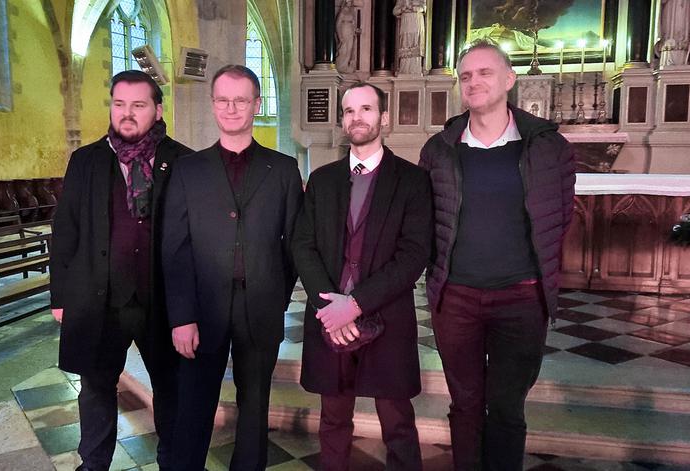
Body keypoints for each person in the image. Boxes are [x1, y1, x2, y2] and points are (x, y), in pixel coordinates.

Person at [419, 40, 576, 470]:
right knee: (465, 403)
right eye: (466, 76)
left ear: (509, 79)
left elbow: (560, 216)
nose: (474, 82)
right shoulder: (439, 149)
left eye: (485, 72)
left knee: (507, 406)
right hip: (456, 297)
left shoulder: (547, 146)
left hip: (522, 297)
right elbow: (428, 218)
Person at [161, 64, 303, 471]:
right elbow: (175, 249)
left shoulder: (283, 169)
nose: (231, 107)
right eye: (223, 99)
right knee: (194, 404)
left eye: (241, 100)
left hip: (260, 307)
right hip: (201, 310)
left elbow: (294, 243)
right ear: (212, 104)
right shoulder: (188, 170)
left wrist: (275, 295)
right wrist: (182, 316)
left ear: (257, 104)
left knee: (255, 406)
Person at [50, 70, 193, 471]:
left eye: (138, 105)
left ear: (158, 110)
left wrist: (192, 306)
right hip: (100, 299)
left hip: (161, 300)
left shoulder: (184, 161)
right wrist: (60, 296)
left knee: (171, 387)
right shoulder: (86, 160)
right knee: (96, 389)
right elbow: (66, 231)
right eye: (119, 104)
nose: (127, 113)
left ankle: (174, 462)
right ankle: (94, 464)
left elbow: (194, 240)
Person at [293, 82, 432, 470]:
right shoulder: (323, 179)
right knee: (333, 417)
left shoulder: (412, 180)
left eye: (366, 109)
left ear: (383, 118)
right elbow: (303, 245)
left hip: (386, 313)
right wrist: (330, 308)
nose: (357, 117)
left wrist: (354, 304)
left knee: (397, 420)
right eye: (350, 111)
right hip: (330, 316)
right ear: (343, 120)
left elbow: (414, 255)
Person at [335, 0, 358, 73]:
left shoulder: (351, 12)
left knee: (349, 49)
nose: (350, 3)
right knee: (343, 48)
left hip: (350, 31)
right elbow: (338, 24)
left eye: (351, 2)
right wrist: (340, 36)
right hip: (344, 29)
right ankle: (341, 66)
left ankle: (346, 66)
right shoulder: (342, 12)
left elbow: (354, 23)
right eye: (349, 2)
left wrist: (355, 30)